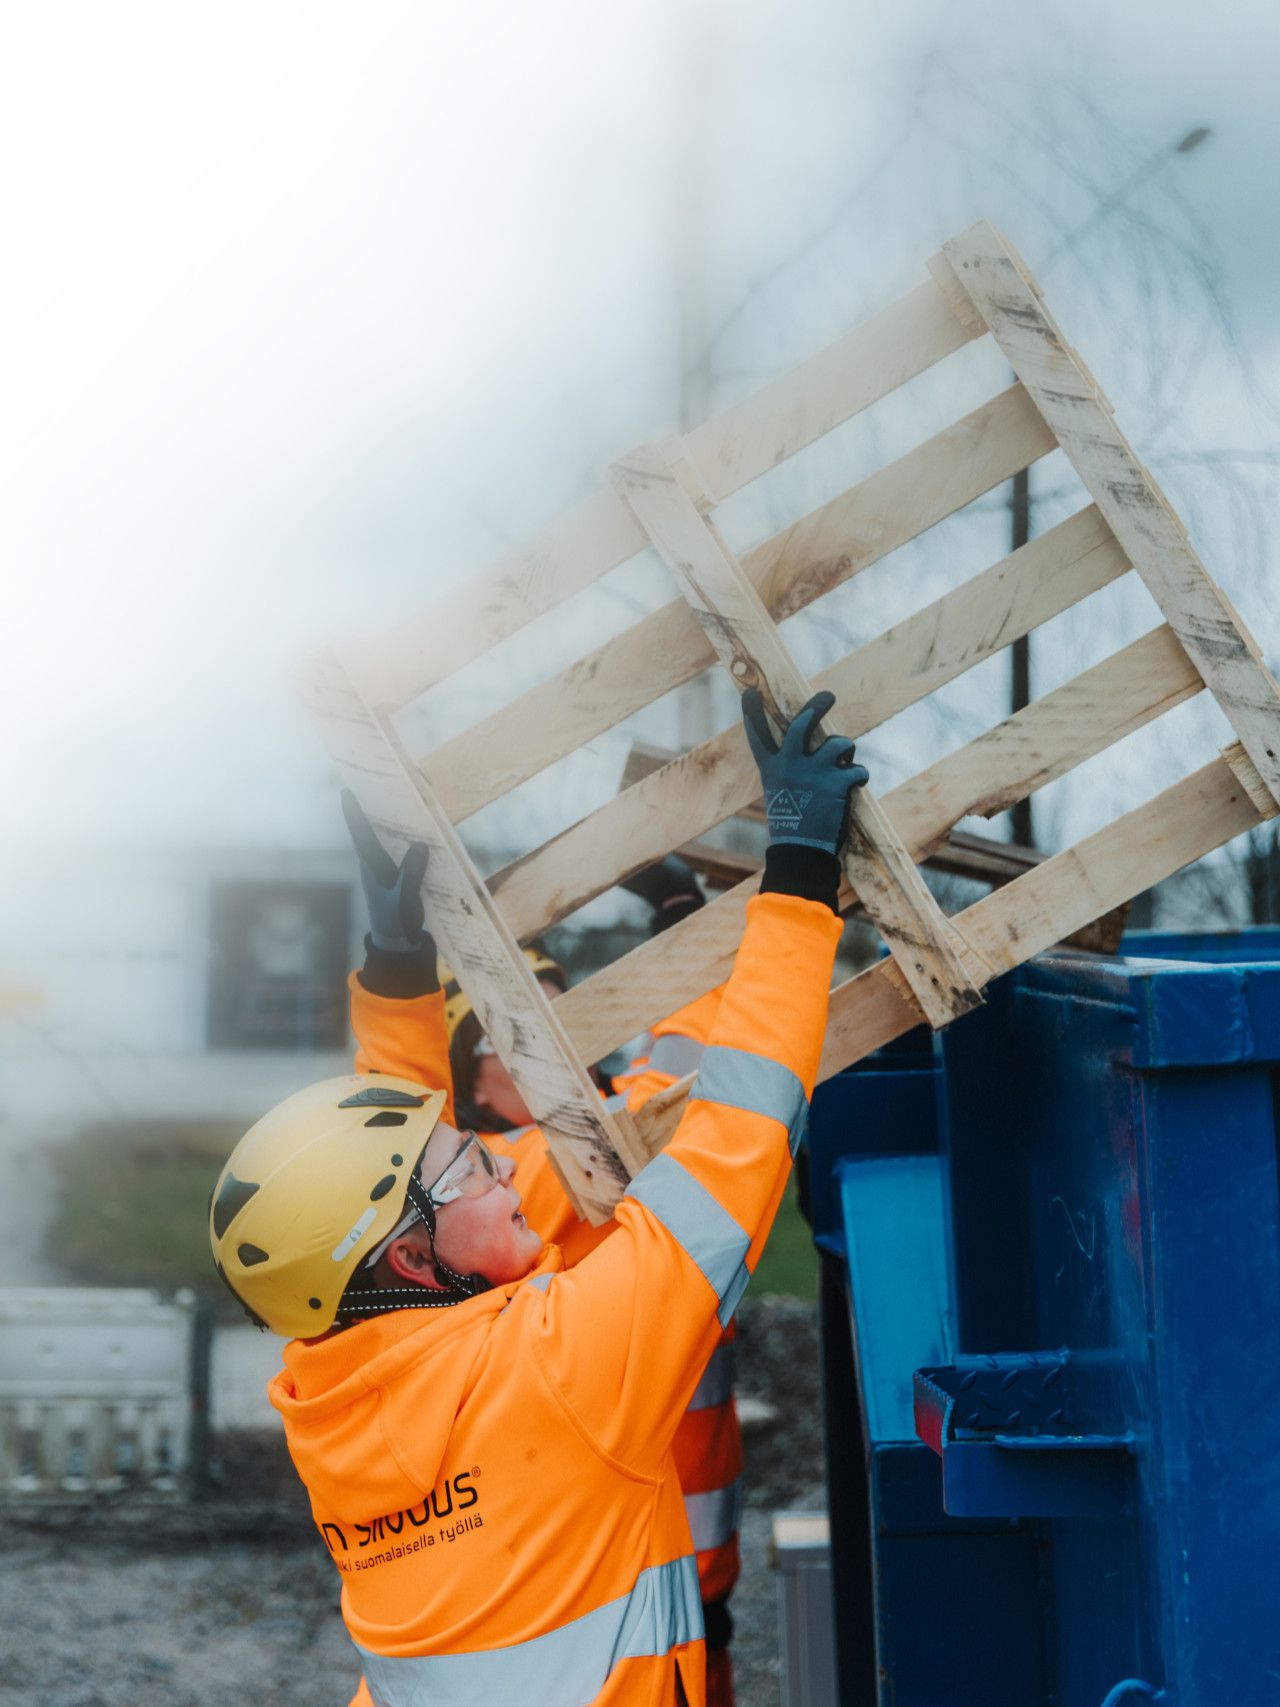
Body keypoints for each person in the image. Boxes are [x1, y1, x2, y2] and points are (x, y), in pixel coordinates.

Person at [208, 689, 867, 1707]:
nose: (501, 1163)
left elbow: (381, 1197)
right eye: (470, 1168)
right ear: (415, 1262)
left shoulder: (332, 1400)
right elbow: (736, 1134)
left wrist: (394, 970)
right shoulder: (558, 1365)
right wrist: (795, 876)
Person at [345, 838, 745, 1704]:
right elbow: (693, 1085)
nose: (557, 1041)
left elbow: (397, 1121)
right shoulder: (522, 1178)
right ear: (476, 1091)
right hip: (632, 1561)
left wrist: (394, 977)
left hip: (663, 1547)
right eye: (516, 1033)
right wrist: (686, 922)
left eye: (561, 1011)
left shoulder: (480, 1196)